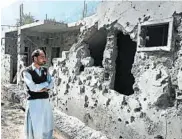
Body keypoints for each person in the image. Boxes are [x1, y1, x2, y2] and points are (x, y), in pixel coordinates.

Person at [22, 49, 54, 139]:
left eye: (45, 57)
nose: (45, 59)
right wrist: (45, 85)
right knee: (35, 126)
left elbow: (51, 84)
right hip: (34, 103)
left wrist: (40, 88)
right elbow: (32, 88)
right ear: (35, 58)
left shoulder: (45, 70)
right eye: (42, 57)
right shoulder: (27, 71)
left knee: (46, 124)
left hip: (45, 101)